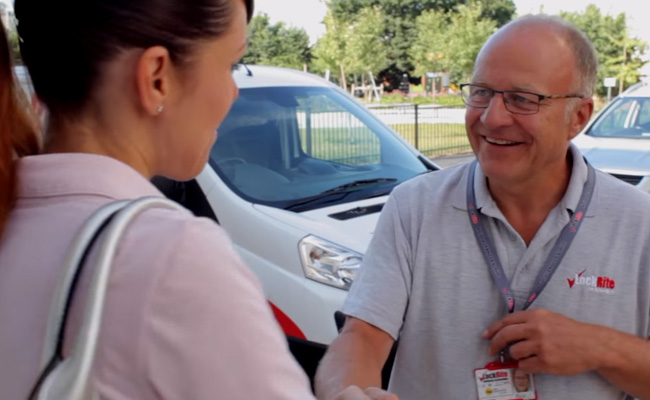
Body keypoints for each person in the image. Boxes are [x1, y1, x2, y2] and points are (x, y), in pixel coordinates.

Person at [0, 1, 328, 399]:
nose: (233, 92)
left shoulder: (14, 215)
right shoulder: (170, 256)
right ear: (158, 77)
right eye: (231, 66)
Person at [315, 15, 650, 400]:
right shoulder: (414, 208)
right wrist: (347, 391)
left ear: (578, 117)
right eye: (481, 93)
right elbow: (362, 336)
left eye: (522, 99)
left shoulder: (640, 224)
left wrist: (598, 347)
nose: (492, 118)